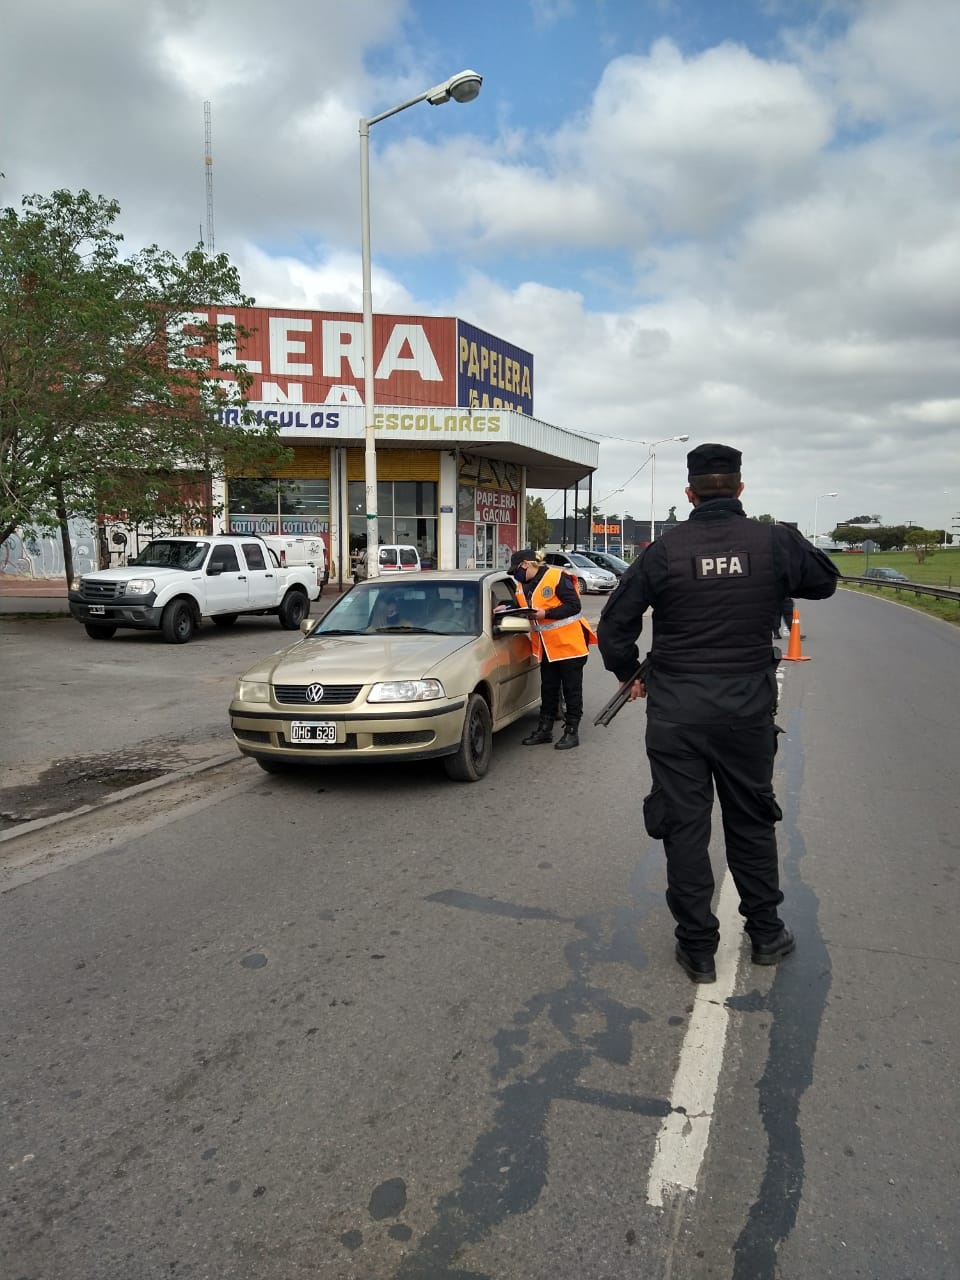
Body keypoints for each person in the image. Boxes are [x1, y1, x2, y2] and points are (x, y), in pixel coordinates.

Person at [597, 443, 839, 983]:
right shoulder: (774, 541)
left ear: (689, 493)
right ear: (740, 488)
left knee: (684, 828)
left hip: (677, 714)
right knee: (751, 821)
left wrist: (627, 671)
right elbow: (823, 580)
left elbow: (614, 625)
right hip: (746, 712)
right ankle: (767, 934)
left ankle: (699, 949)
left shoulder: (664, 550)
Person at [509, 548, 597, 750]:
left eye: (516, 570)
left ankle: (571, 731)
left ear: (526, 564)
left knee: (571, 690)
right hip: (545, 648)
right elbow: (519, 605)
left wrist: (545, 613)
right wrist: (505, 608)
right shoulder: (523, 586)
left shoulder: (557, 577)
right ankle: (545, 729)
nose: (516, 575)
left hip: (569, 645)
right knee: (548, 689)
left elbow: (574, 606)